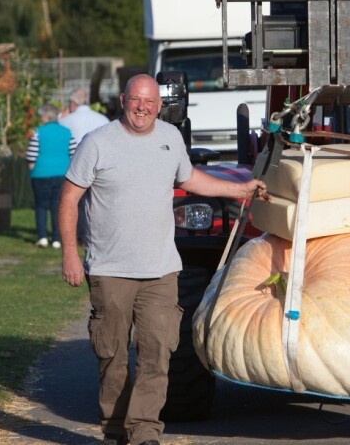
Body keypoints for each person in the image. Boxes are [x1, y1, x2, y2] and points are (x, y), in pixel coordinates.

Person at [58, 74, 269, 445]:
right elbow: (69, 199)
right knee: (113, 358)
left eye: (150, 102)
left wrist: (239, 189)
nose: (142, 107)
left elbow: (191, 180)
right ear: (124, 100)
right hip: (111, 271)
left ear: (159, 106)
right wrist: (70, 256)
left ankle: (144, 432)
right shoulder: (97, 143)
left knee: (158, 354)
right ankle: (115, 430)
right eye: (136, 100)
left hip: (161, 271)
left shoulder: (170, 139)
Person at [59, 88, 110, 243]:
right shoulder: (102, 119)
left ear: (72, 103)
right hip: (101, 163)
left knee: (76, 202)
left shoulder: (67, 120)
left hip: (75, 165)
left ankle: (79, 234)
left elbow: (57, 127)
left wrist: (63, 113)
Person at [26, 104, 76, 249]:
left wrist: (32, 167)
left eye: (41, 116)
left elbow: (31, 155)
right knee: (57, 207)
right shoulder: (67, 132)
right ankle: (56, 238)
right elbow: (73, 153)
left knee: (41, 206)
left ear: (46, 117)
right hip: (62, 174)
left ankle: (42, 237)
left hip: (41, 174)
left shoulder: (38, 132)